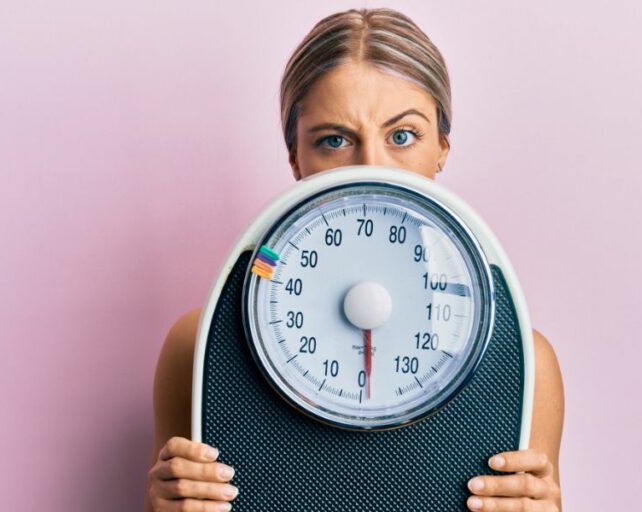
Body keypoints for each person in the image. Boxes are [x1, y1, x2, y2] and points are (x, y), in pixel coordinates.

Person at [145, 8, 565, 512]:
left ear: (441, 150)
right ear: (296, 158)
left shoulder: (522, 360)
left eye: (402, 136)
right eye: (334, 140)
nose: (371, 167)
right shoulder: (200, 343)